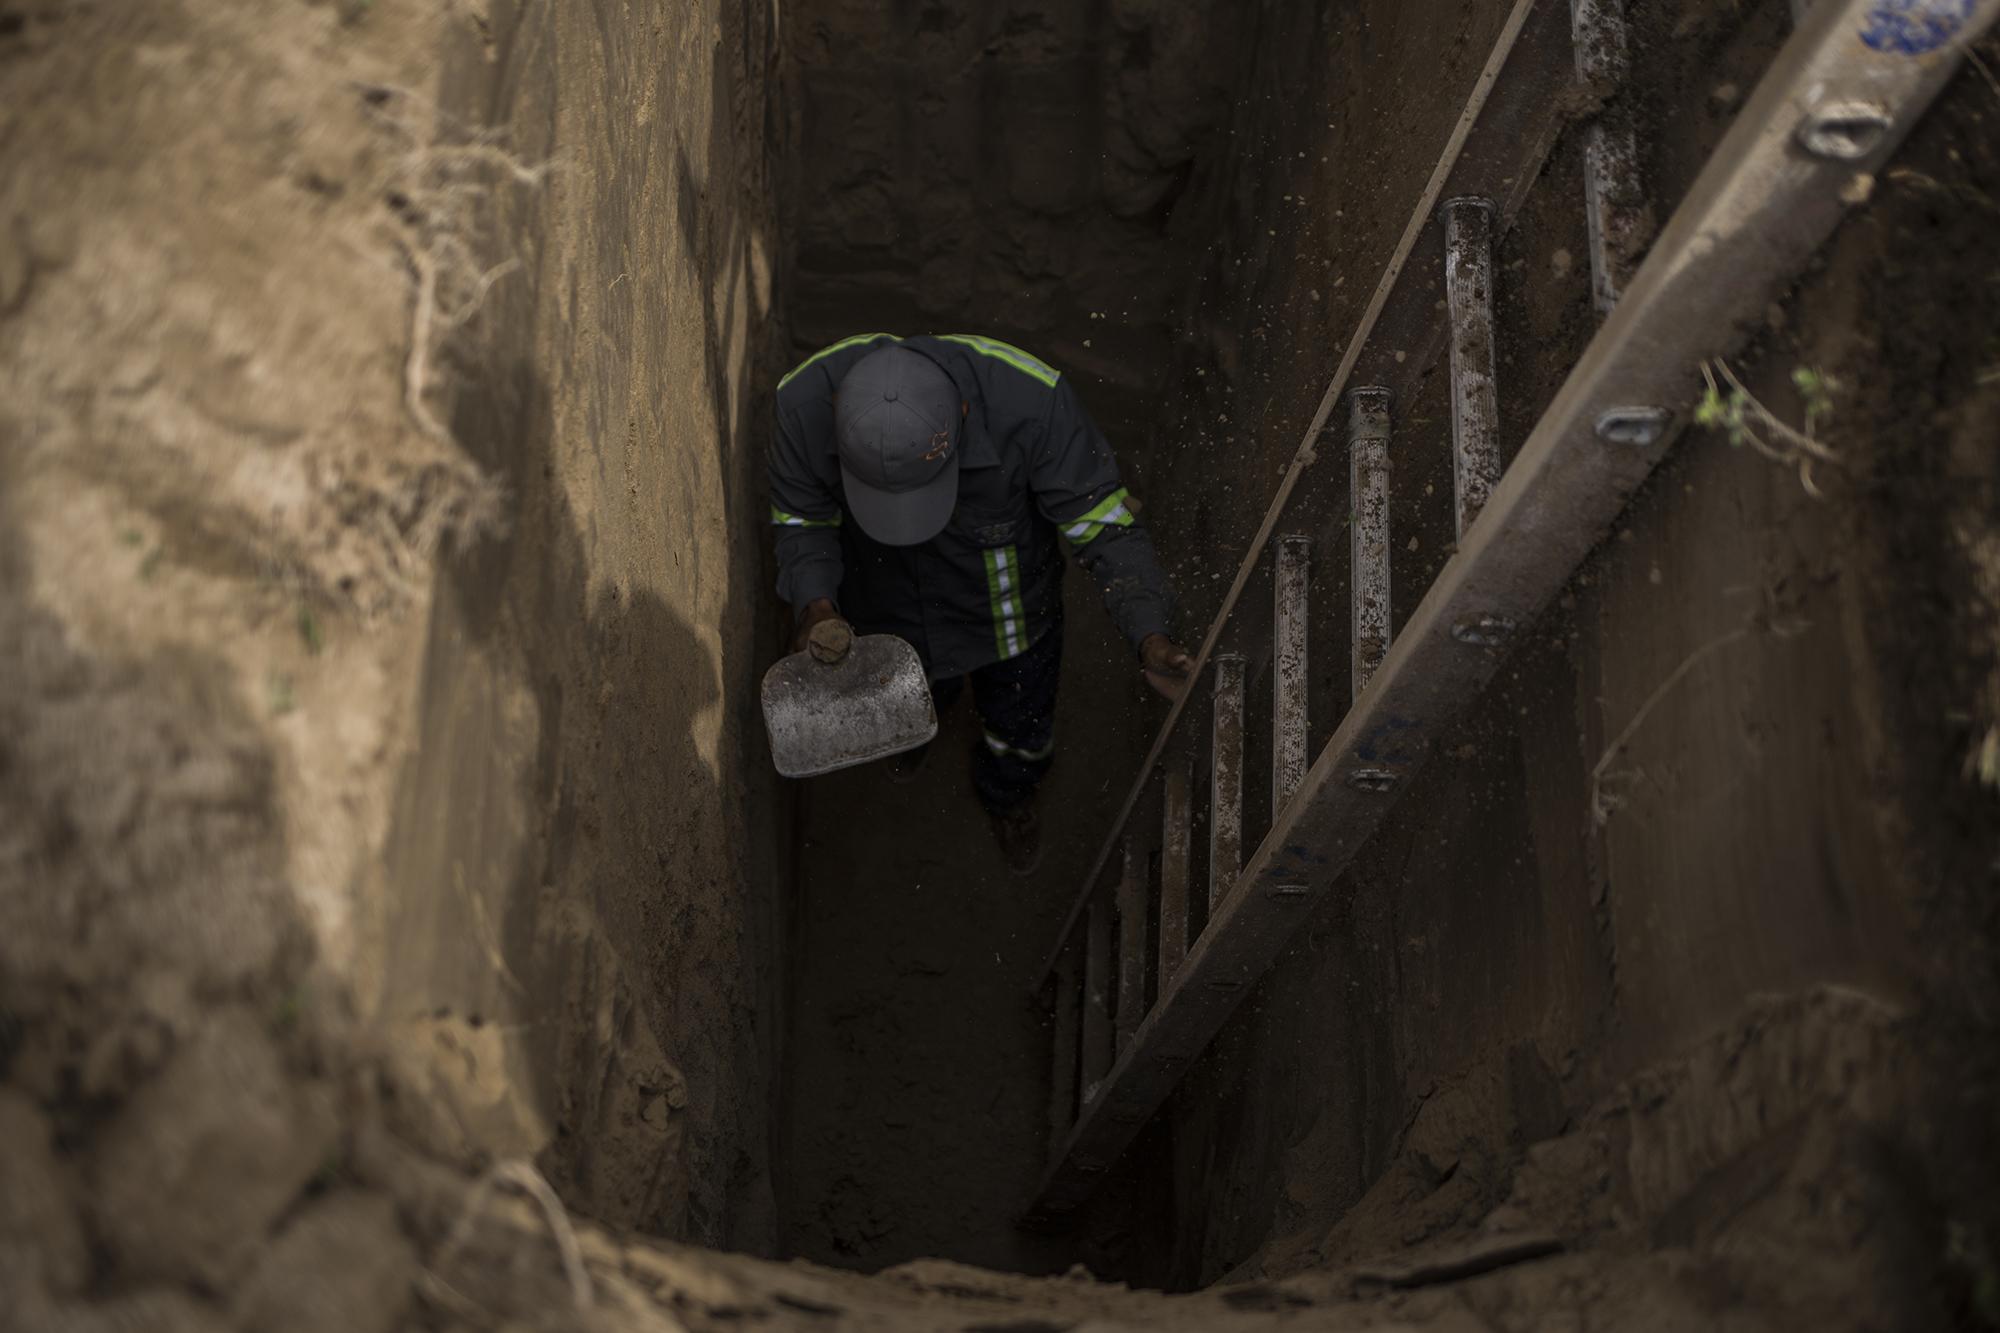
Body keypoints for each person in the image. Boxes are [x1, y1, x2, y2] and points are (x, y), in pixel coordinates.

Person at [768, 333, 1192, 875]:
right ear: (834, 414)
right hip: (887, 608)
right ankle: (913, 733)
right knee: (907, 692)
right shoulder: (801, 403)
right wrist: (817, 607)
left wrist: (1149, 633)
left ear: (964, 413)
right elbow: (802, 519)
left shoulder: (1033, 404)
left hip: (1011, 618)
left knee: (1019, 727)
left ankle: (1009, 793)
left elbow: (1104, 530)